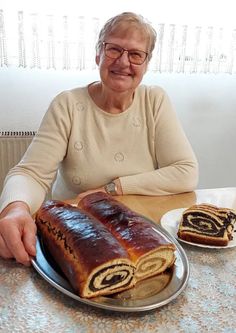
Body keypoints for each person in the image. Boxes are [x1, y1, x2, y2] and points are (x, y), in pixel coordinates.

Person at [0, 12, 198, 266]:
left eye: (136, 54)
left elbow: (186, 172)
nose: (124, 62)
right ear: (98, 54)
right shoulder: (68, 104)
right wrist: (15, 208)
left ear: (146, 64)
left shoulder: (155, 100)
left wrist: (113, 188)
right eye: (114, 49)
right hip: (76, 234)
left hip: (137, 231)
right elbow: (31, 173)